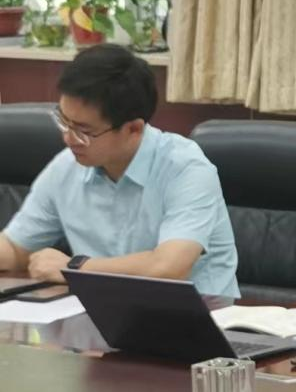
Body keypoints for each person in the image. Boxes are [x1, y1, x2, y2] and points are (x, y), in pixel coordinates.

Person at [0, 44, 239, 297]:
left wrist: (74, 268)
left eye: (84, 131)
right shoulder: (65, 168)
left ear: (133, 129)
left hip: (195, 313)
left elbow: (168, 268)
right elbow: (15, 249)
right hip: (97, 310)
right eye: (64, 121)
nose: (68, 138)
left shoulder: (186, 169)